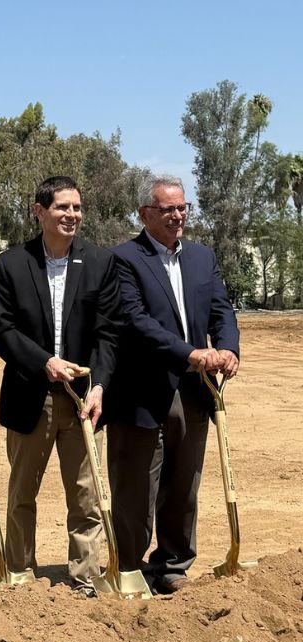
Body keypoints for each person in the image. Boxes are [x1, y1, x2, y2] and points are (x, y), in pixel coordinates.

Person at [106, 175, 240, 594]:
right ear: (145, 214)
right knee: (135, 487)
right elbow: (135, 321)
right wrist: (190, 353)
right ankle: (128, 568)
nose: (178, 216)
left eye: (182, 208)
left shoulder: (201, 257)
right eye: (168, 209)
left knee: (184, 485)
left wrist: (228, 348)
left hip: (194, 391)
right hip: (140, 393)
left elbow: (221, 310)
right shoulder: (123, 259)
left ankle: (172, 566)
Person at [0, 176, 120, 596]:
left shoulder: (100, 262)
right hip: (31, 396)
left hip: (83, 400)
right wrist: (44, 363)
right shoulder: (12, 263)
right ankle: (20, 575)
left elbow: (108, 334)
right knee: (22, 494)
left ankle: (85, 577)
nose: (72, 215)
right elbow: (2, 331)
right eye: (63, 207)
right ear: (39, 211)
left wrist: (99, 386)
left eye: (77, 207)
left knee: (86, 496)